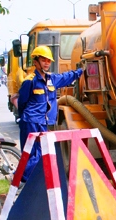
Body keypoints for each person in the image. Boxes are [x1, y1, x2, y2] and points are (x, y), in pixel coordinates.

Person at [17, 46, 84, 183]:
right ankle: (22, 180)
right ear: (35, 61)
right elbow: (22, 102)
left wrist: (81, 71)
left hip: (43, 121)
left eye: (48, 61)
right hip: (30, 121)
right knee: (31, 152)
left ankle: (24, 180)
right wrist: (24, 119)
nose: (47, 63)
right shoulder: (30, 81)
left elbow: (66, 77)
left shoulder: (51, 79)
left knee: (40, 152)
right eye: (43, 60)